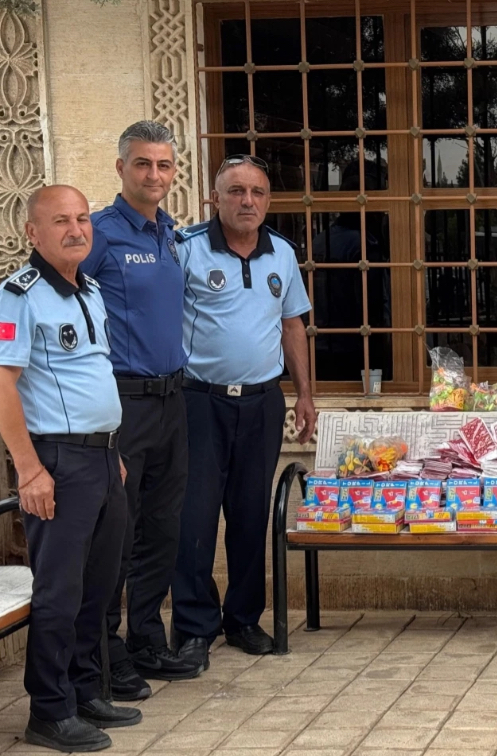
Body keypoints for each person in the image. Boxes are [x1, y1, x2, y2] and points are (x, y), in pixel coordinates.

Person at [0, 186, 142, 752]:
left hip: (102, 456)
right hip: (55, 461)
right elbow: (0, 383)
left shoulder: (88, 290)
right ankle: (49, 711)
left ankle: (82, 689)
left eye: (82, 219)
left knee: (98, 585)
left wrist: (113, 451)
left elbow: (90, 378)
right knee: (59, 590)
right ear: (33, 232)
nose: (76, 230)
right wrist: (29, 471)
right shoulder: (17, 297)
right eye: (60, 222)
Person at [170, 155, 316, 666]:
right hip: (199, 402)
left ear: (269, 200)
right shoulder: (185, 250)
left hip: (262, 403)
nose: (247, 201)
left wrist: (304, 393)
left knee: (252, 516)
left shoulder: (282, 254)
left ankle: (243, 620)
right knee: (195, 518)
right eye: (235, 192)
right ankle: (192, 629)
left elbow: (293, 325)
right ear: (216, 199)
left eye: (256, 192)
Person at [80, 121, 198, 701]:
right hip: (123, 403)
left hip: (173, 399)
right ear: (121, 169)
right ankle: (105, 655)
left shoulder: (168, 233)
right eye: (143, 164)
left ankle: (147, 638)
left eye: (165, 165)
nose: (155, 175)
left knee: (161, 530)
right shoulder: (99, 233)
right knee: (116, 535)